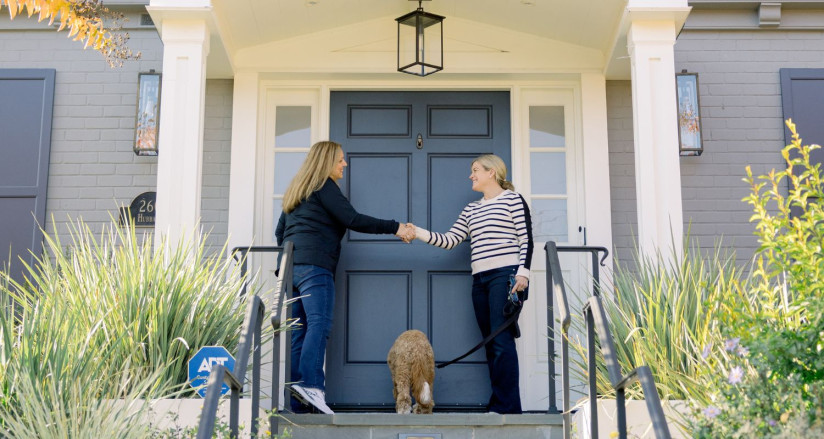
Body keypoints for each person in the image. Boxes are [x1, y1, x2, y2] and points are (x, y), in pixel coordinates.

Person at [275, 141, 415, 414]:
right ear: (326, 162)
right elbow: (353, 219)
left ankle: (297, 403)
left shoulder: (297, 191)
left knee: (298, 333)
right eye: (340, 159)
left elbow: (280, 233)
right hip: (315, 267)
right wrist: (396, 227)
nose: (344, 164)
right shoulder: (324, 186)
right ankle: (312, 388)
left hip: (291, 268)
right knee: (319, 326)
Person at [410, 154, 533, 414]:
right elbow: (449, 240)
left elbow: (526, 239)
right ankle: (501, 404)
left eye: (475, 170)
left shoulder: (512, 199)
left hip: (506, 276)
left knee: (501, 342)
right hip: (480, 279)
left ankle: (507, 408)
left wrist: (523, 273)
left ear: (492, 172)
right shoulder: (472, 209)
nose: (471, 175)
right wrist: (416, 231)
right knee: (491, 343)